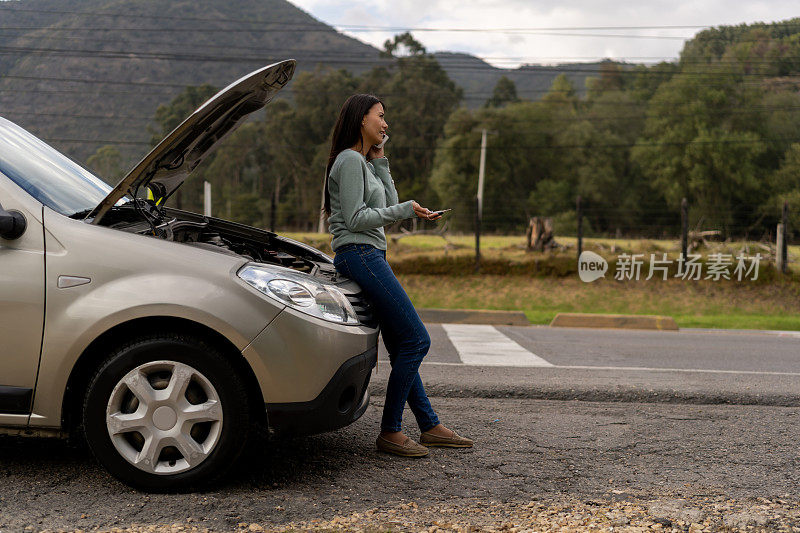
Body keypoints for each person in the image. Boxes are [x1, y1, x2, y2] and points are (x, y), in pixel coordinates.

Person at [324, 94, 473, 457]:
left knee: (401, 343)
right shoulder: (347, 161)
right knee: (418, 340)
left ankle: (428, 425)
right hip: (358, 252)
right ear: (362, 119)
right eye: (381, 117)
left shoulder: (363, 161)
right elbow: (358, 218)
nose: (386, 124)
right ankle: (390, 431)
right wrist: (406, 208)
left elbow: (389, 206)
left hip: (371, 253)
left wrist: (380, 161)